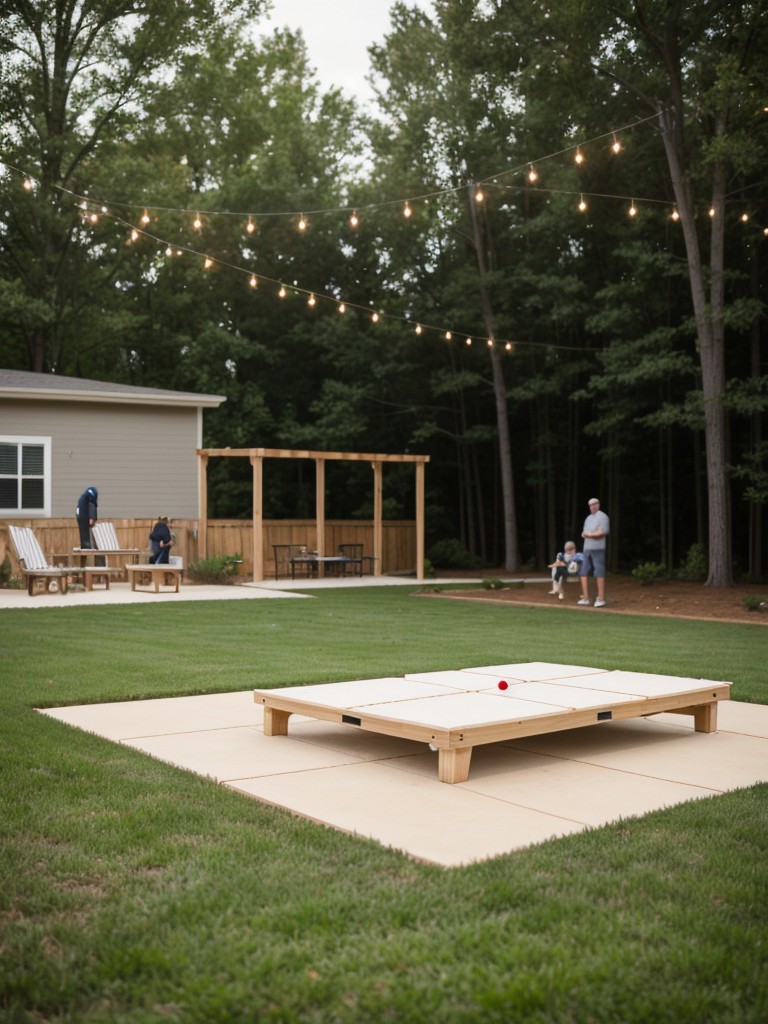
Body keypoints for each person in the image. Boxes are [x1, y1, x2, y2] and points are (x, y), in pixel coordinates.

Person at [578, 497, 610, 607]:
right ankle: (586, 598)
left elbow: (602, 532)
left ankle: (600, 598)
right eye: (591, 505)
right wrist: (590, 533)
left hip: (598, 549)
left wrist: (590, 534)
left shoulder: (603, 517)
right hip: (587, 548)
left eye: (595, 504)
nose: (593, 506)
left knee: (599, 572)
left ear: (599, 504)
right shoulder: (588, 519)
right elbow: (584, 533)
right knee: (583, 572)